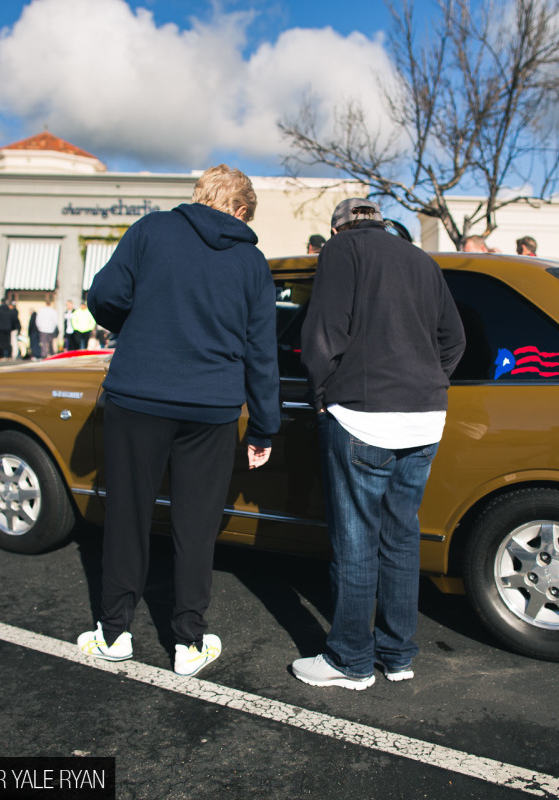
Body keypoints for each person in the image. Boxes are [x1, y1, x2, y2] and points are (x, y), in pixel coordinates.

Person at [80, 164, 279, 677]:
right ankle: (189, 642)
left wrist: (140, 321)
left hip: (138, 396)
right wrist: (264, 426)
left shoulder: (151, 230)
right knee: (197, 524)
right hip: (211, 408)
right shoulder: (252, 262)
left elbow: (103, 297)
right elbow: (262, 351)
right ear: (240, 209)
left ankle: (114, 633)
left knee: (127, 514)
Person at [292, 198, 466, 690]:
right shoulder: (420, 259)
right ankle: (396, 654)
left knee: (356, 543)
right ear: (382, 223)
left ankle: (349, 659)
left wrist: (321, 396)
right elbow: (454, 340)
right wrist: (428, 381)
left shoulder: (341, 250)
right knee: (401, 537)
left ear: (338, 227)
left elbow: (322, 334)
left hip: (363, 415)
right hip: (425, 418)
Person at [0, 295, 20, 360]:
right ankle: (8, 355)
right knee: (8, 343)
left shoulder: (0, 310)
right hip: (8, 329)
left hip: (1, 329)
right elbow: (14, 320)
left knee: (2, 342)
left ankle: (3, 355)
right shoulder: (10, 311)